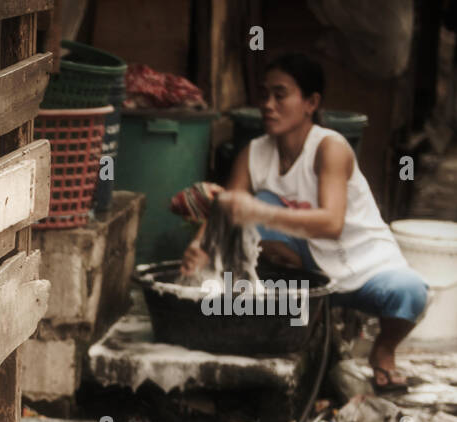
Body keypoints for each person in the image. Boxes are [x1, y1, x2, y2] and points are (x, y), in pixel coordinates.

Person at [182, 52, 429, 393]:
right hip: (308, 261)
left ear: (311, 102)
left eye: (280, 95)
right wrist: (198, 250)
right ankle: (295, 315)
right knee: (247, 212)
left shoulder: (330, 148)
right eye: (264, 94)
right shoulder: (254, 152)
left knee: (412, 293)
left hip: (362, 263)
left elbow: (331, 224)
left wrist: (256, 212)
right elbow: (225, 212)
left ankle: (384, 349)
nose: (268, 104)